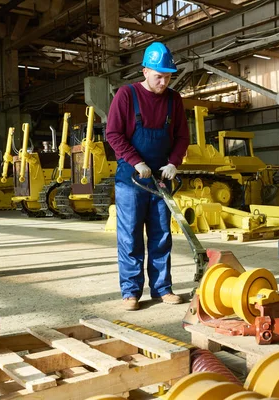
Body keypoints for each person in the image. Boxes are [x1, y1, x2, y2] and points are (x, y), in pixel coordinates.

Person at [107, 42, 190, 311]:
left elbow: (181, 136)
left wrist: (174, 162)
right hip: (131, 179)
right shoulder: (126, 95)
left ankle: (162, 289)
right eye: (159, 76)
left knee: (162, 235)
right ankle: (131, 292)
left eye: (168, 76)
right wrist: (135, 161)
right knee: (130, 238)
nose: (164, 81)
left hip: (161, 180)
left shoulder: (173, 100)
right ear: (145, 71)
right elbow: (113, 134)